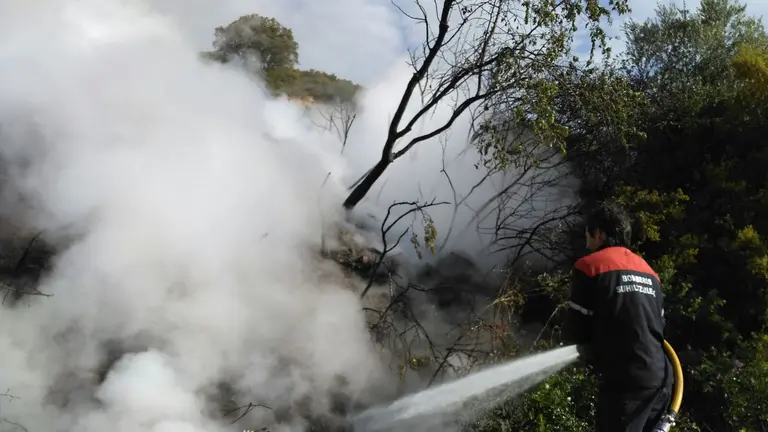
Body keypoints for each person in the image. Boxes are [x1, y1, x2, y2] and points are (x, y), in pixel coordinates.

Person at [564, 202, 673, 432]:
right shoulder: (649, 272)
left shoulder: (589, 266)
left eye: (588, 233)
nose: (586, 239)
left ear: (599, 233)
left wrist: (582, 353)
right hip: (661, 380)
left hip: (627, 385)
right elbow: (659, 326)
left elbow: (577, 329)